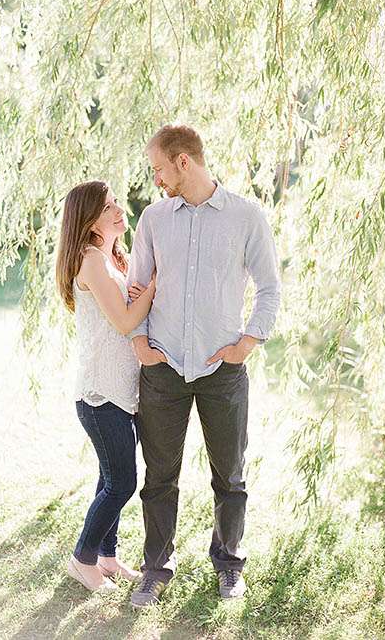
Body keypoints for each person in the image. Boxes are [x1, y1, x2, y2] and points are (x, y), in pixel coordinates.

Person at [125, 124, 282, 607]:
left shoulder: (246, 215)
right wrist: (139, 343)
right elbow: (135, 286)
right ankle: (155, 569)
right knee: (158, 477)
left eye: (157, 169)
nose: (156, 180)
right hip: (163, 368)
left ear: (182, 162)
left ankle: (230, 565)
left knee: (230, 476)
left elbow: (270, 287)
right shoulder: (153, 218)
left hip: (223, 371)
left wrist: (247, 342)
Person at [55, 180, 156, 592]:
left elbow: (128, 308)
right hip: (100, 395)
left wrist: (138, 290)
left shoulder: (111, 258)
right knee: (122, 482)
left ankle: (107, 556)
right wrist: (153, 288)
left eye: (116, 204)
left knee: (109, 476)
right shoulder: (91, 259)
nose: (119, 211)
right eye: (109, 207)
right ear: (89, 220)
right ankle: (83, 559)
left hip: (118, 392)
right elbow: (127, 321)